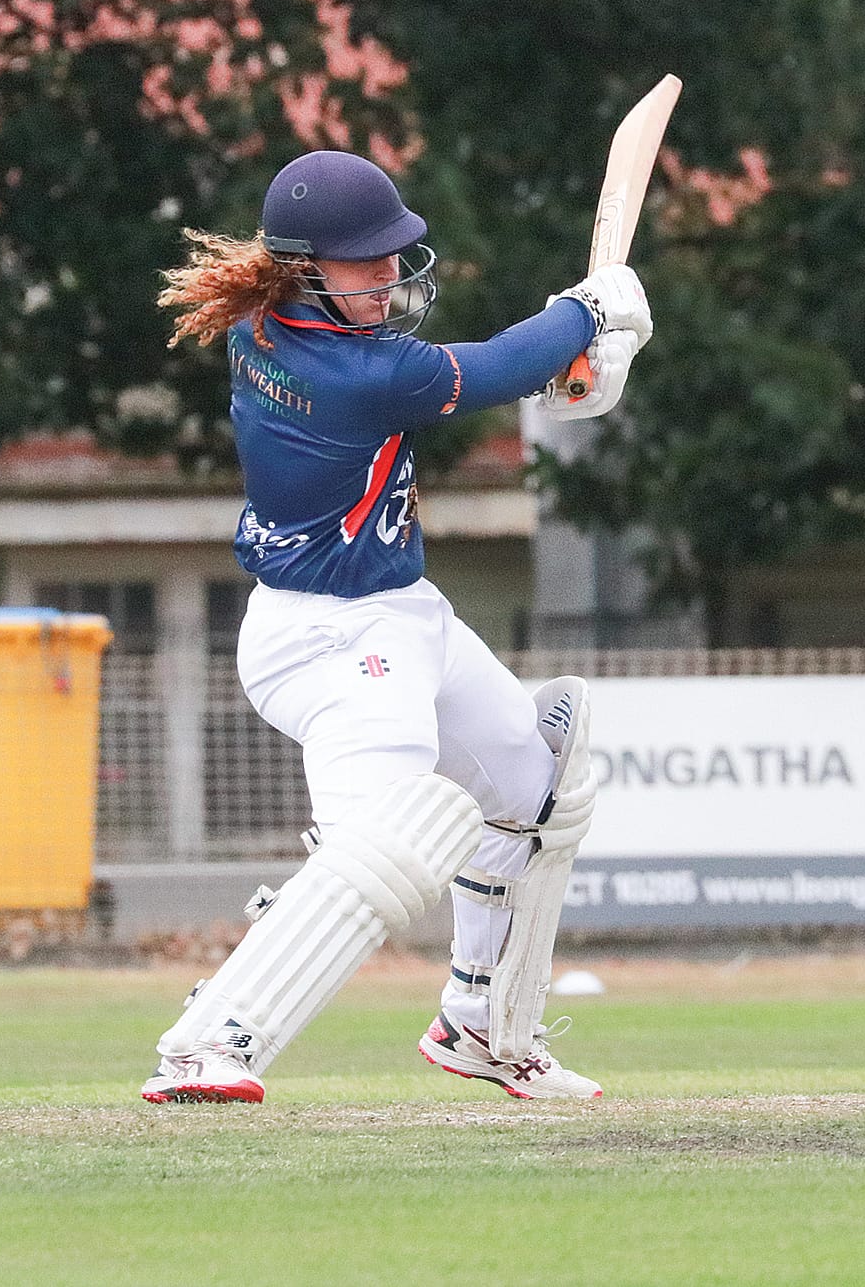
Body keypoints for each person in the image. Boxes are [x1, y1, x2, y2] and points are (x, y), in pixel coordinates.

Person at [140, 151, 650, 1103]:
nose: (389, 277)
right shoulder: (346, 373)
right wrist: (587, 315)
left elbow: (489, 375)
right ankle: (209, 1041)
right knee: (387, 838)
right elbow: (488, 368)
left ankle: (482, 1024)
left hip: (402, 612)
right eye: (366, 263)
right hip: (325, 636)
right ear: (303, 270)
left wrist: (563, 367)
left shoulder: (276, 327)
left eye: (393, 256)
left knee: (541, 789)